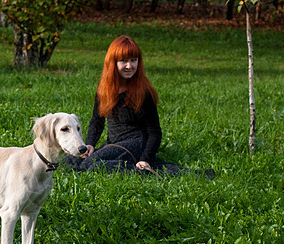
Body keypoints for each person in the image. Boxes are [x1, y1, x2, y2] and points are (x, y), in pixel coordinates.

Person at [66, 35, 213, 178]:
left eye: (133, 60)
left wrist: (146, 159)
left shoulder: (143, 91)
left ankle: (143, 170)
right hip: (114, 143)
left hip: (136, 144)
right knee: (68, 160)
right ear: (113, 63)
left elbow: (155, 132)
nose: (129, 66)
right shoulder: (104, 88)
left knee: (92, 164)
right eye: (123, 61)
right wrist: (90, 144)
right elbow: (97, 121)